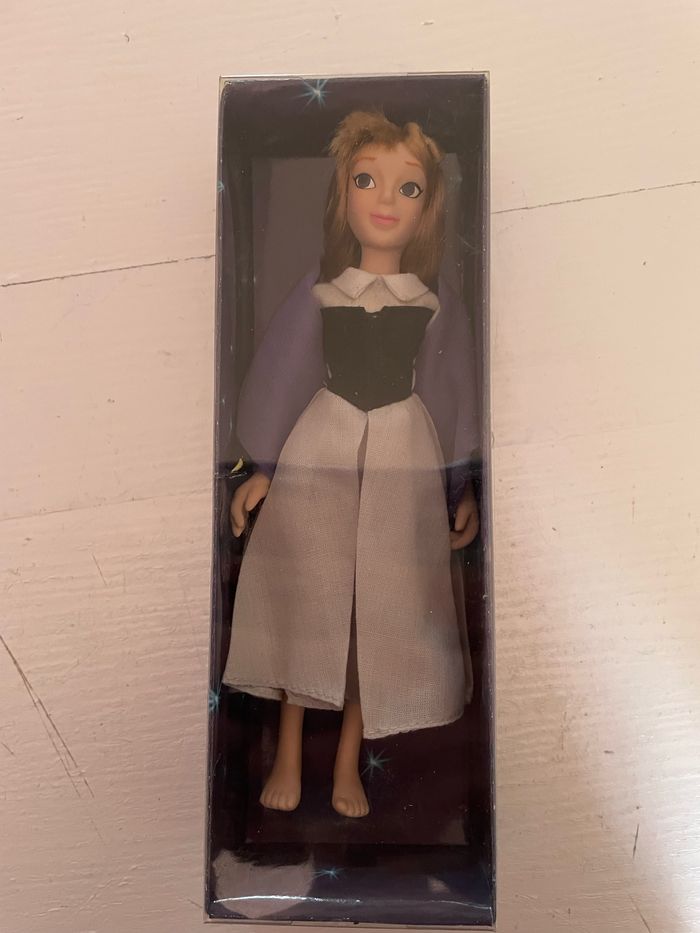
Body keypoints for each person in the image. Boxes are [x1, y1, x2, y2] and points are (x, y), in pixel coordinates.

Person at [222, 109, 480, 818]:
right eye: (368, 181)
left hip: (403, 454)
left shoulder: (433, 303)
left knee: (383, 608)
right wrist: (263, 466)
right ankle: (285, 751)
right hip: (324, 443)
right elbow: (283, 371)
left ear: (429, 206)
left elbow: (452, 390)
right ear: (343, 192)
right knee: (310, 595)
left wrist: (459, 485)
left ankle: (346, 763)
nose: (385, 200)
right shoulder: (323, 290)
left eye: (408, 187)